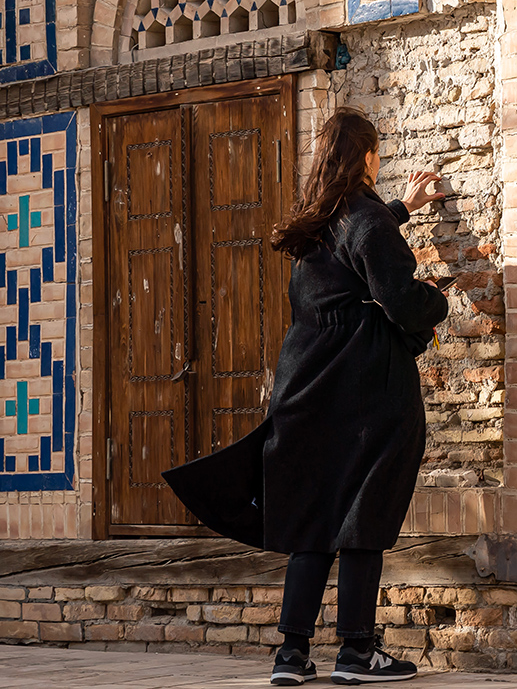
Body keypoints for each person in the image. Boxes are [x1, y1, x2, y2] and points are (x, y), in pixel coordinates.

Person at [163, 107, 450, 686]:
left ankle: (291, 656)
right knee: (362, 519)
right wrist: (436, 301)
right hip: (367, 396)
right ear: (367, 157)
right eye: (378, 150)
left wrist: (402, 210)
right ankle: (355, 652)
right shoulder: (364, 222)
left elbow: (353, 251)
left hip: (307, 390)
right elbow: (398, 298)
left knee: (315, 520)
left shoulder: (315, 223)